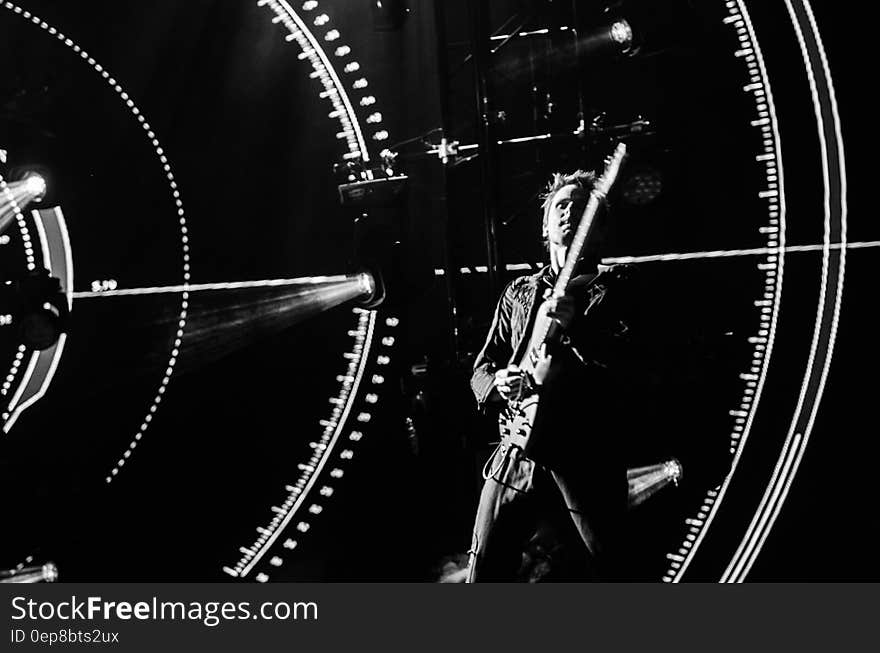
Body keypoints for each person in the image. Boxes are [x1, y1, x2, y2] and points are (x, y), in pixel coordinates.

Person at [466, 169, 636, 582]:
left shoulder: (615, 287)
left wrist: (577, 328)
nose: (569, 214)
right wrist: (498, 384)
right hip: (519, 451)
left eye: (581, 208)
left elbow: (626, 372)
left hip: (584, 454)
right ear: (545, 223)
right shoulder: (520, 292)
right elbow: (481, 368)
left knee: (614, 567)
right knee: (484, 569)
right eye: (561, 206)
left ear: (597, 226)